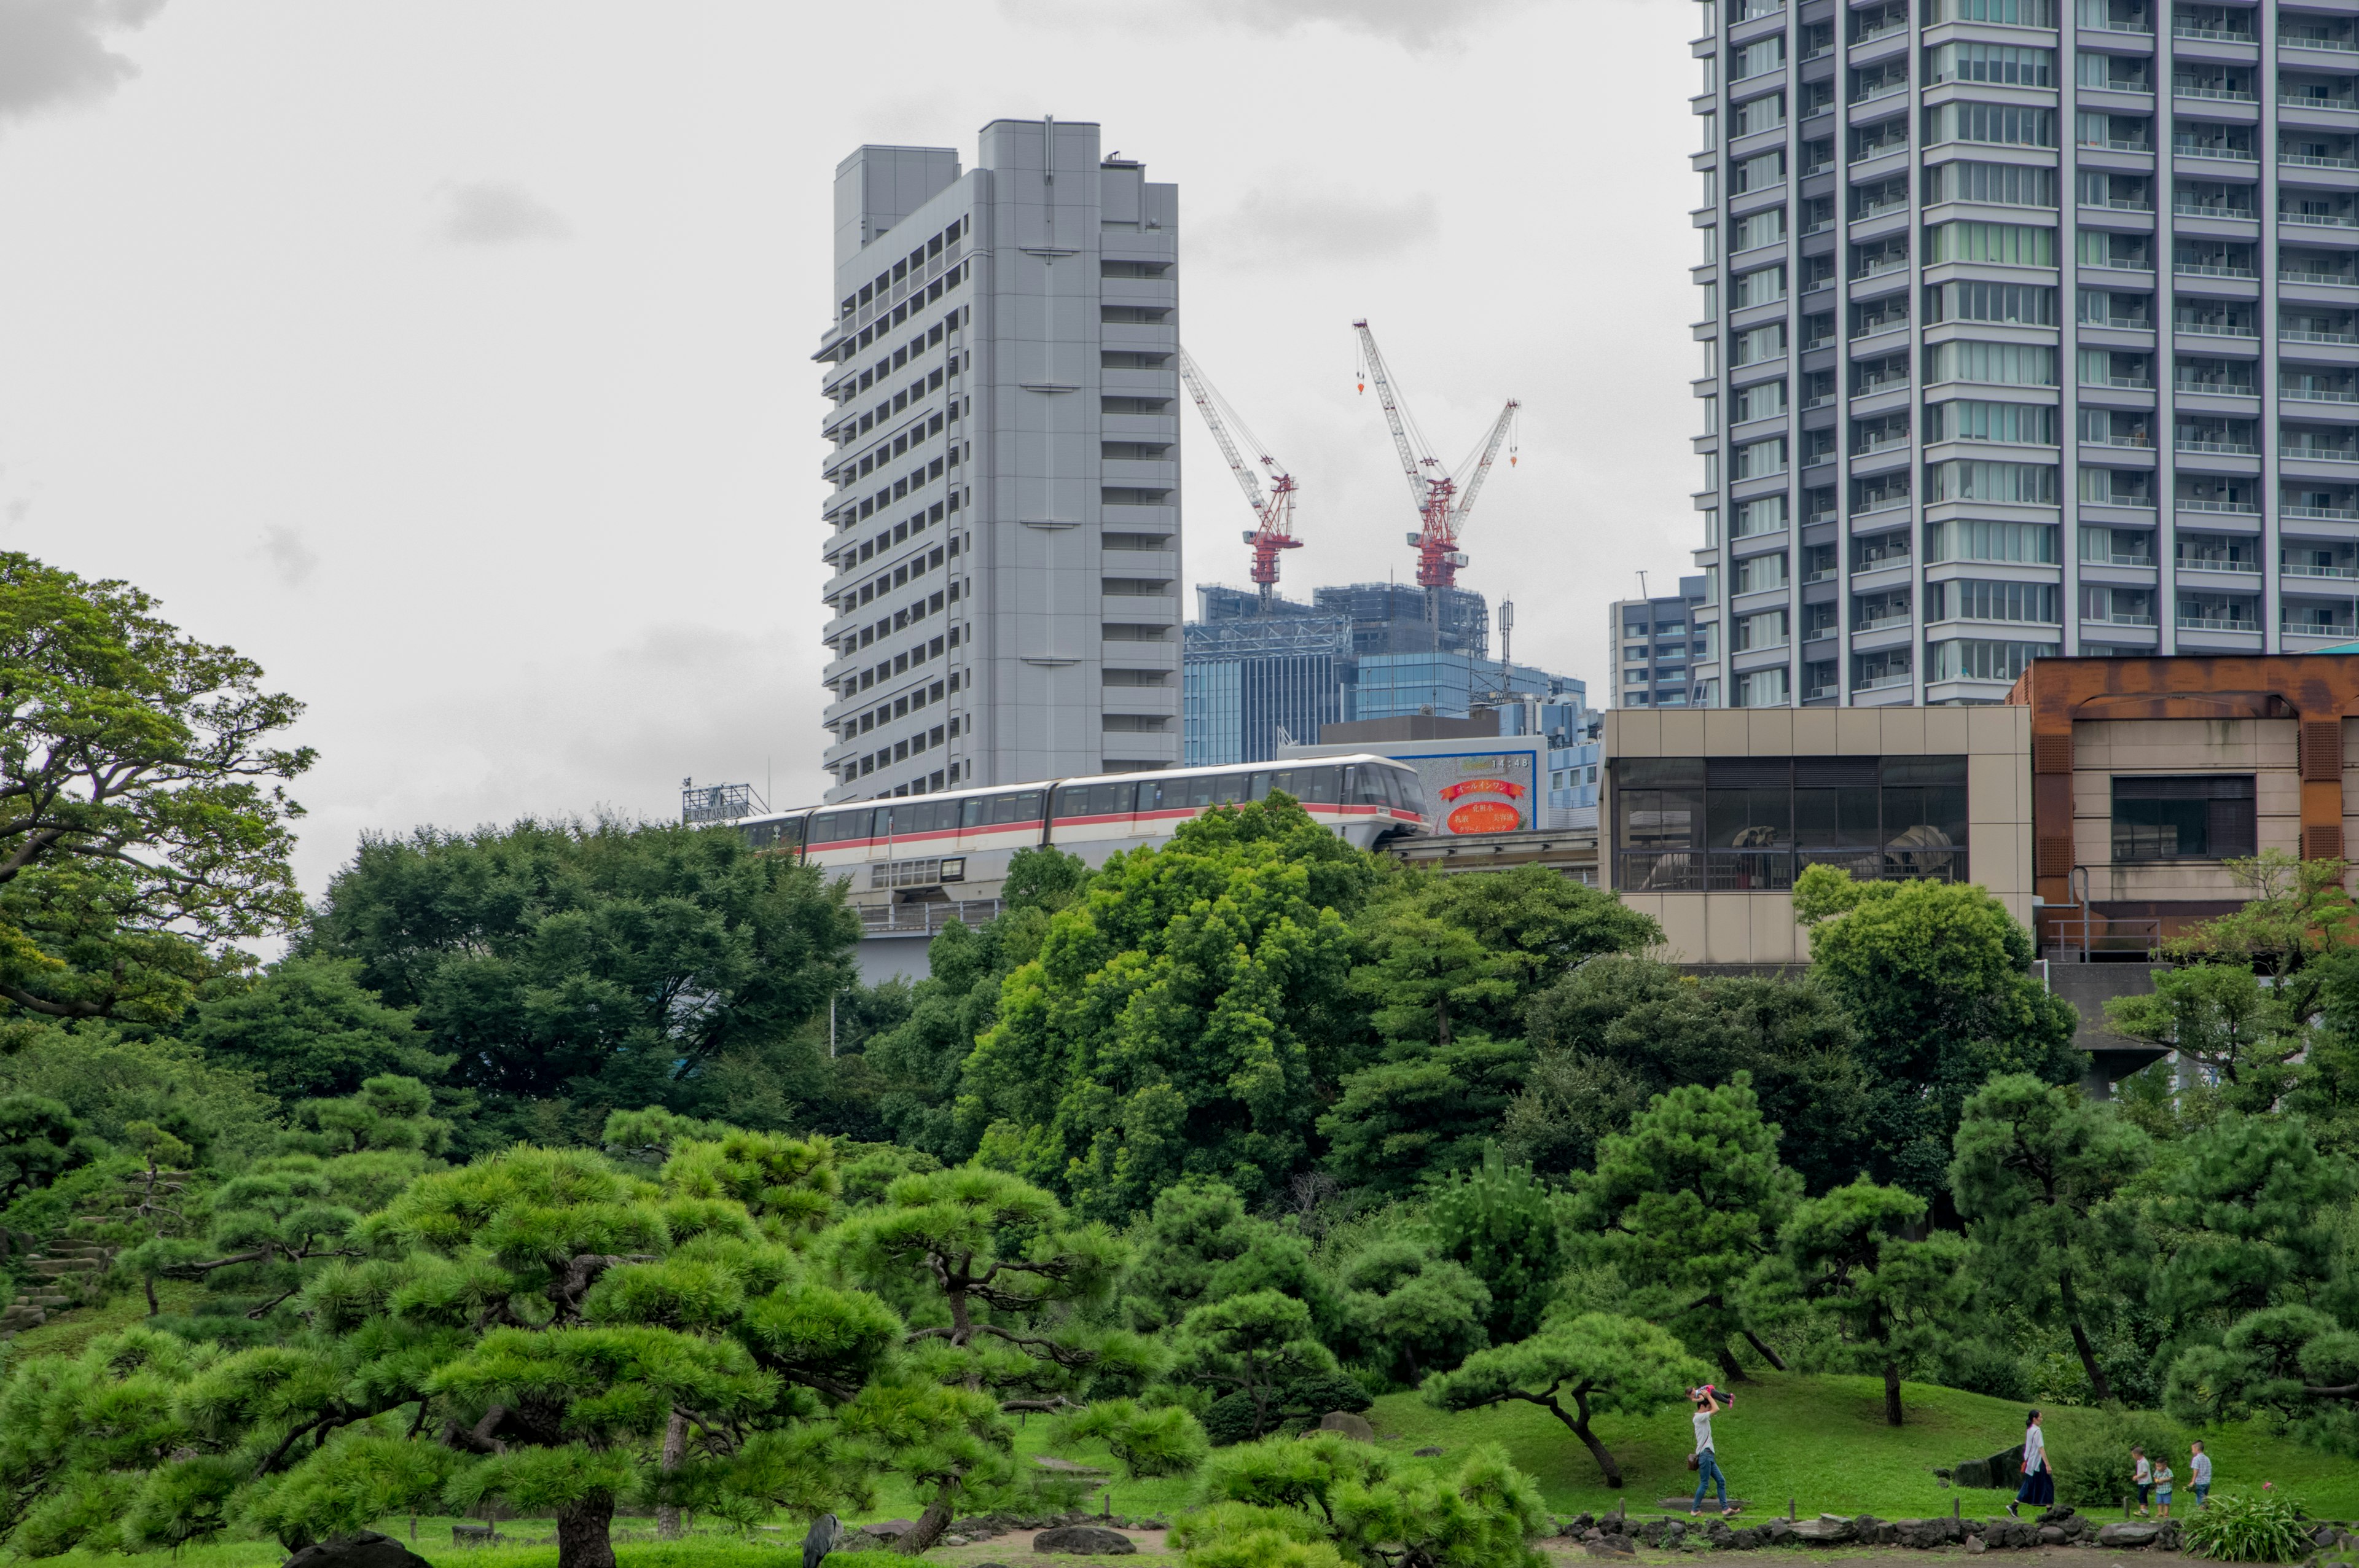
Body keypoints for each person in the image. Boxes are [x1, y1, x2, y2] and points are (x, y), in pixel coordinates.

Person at [1690, 1385, 1735, 1518]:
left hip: (1709, 1455)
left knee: (1721, 1481)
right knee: (1704, 1483)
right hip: (1705, 1455)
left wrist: (1707, 1396)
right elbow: (1717, 1408)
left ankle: (1725, 1509)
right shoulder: (1698, 1418)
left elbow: (1713, 1408)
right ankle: (1694, 1510)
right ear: (1702, 1408)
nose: (1710, 1410)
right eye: (1707, 1407)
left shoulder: (1703, 1418)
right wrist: (1709, 1396)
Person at [2008, 1410, 2052, 1516]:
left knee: (2031, 1484)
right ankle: (2049, 1512)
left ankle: (2014, 1506)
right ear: (2034, 1419)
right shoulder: (2037, 1431)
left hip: (2030, 1461)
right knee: (2048, 1484)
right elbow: (2041, 1448)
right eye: (2040, 1417)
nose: (2042, 1419)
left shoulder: (2030, 1429)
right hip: (2037, 1462)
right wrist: (2047, 1464)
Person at [2189, 1442, 2211, 1508]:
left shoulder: (2196, 1459)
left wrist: (2193, 1481)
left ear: (2196, 1449)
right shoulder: (2207, 1458)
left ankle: (2201, 1514)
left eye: (2192, 1449)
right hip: (2207, 1482)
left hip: (2200, 1482)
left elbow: (2196, 1470)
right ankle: (2207, 1512)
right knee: (2205, 1498)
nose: (2192, 1451)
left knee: (2200, 1500)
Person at [2132, 1446, 2152, 1516]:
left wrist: (2137, 1477)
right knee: (2143, 1496)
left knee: (2141, 1496)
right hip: (2141, 1482)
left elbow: (2145, 1473)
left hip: (2145, 1482)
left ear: (2137, 1454)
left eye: (2133, 1455)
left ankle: (2143, 1511)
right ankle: (2145, 1511)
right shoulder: (2139, 1461)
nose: (2133, 1457)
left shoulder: (2144, 1462)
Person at [2153, 1455, 2175, 1521]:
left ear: (2165, 1466)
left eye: (2159, 1466)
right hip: (2159, 1490)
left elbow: (2171, 1478)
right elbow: (2155, 1477)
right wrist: (2157, 1481)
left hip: (2167, 1489)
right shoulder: (2157, 1471)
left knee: (2166, 1503)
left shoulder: (2168, 1471)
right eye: (2157, 1466)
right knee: (2159, 1502)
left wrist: (2163, 1480)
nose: (2158, 1468)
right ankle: (2160, 1513)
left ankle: (2166, 1514)